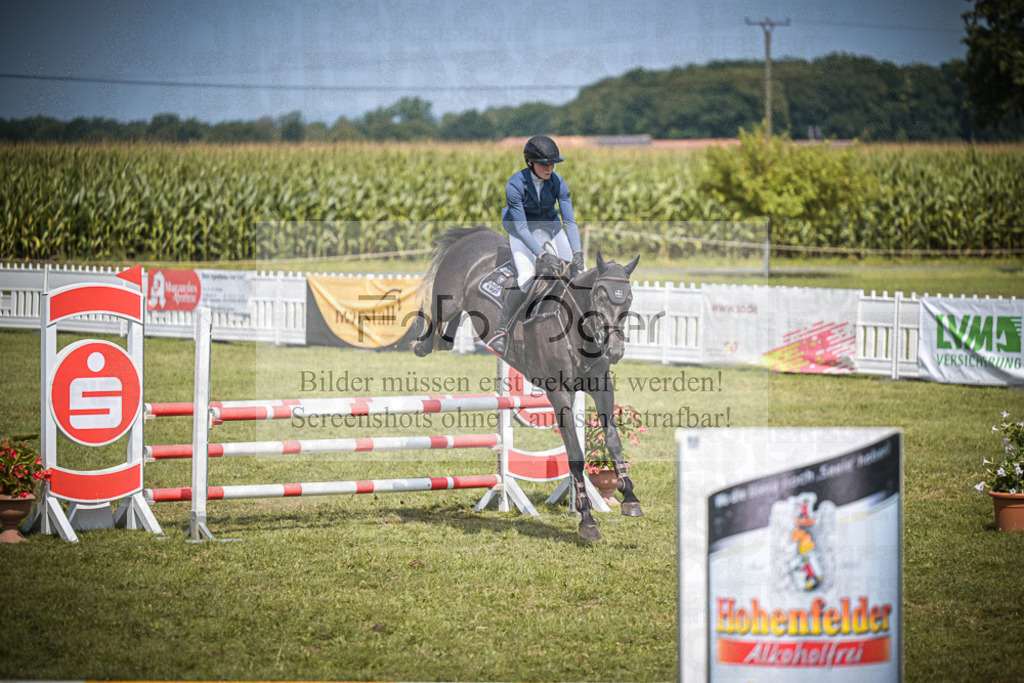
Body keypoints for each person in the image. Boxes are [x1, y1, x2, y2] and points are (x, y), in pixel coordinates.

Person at [486, 135, 585, 356]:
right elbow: (522, 228)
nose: (550, 168)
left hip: (550, 226)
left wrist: (577, 251)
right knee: (527, 276)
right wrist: (542, 255)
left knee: (579, 271)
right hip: (522, 231)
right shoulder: (515, 184)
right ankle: (501, 332)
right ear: (530, 162)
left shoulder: (558, 182)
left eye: (553, 163)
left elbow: (568, 221)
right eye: (544, 164)